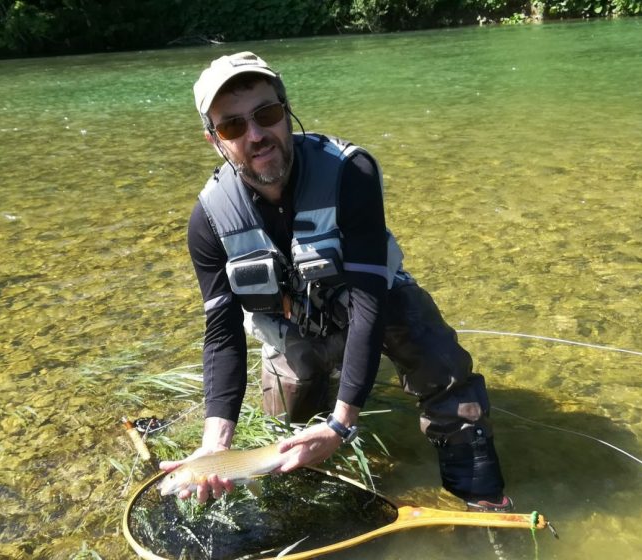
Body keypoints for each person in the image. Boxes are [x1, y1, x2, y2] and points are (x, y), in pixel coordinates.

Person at [159, 51, 511, 512]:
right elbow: (222, 334)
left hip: (373, 302)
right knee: (287, 437)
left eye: (266, 114)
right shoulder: (206, 221)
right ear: (214, 140)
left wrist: (343, 423)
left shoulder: (351, 173)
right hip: (292, 328)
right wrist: (214, 444)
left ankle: (482, 496)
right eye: (233, 126)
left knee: (439, 362)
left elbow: (369, 302)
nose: (257, 134)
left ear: (286, 111)